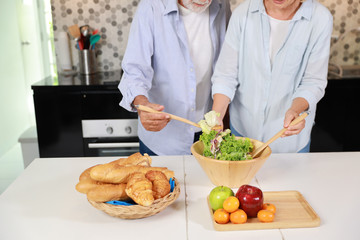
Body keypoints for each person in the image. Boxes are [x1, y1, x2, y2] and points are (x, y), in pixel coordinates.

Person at [211, 0, 333, 153]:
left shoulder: (320, 19)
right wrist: (215, 118)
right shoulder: (242, 14)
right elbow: (225, 75)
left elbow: (313, 81)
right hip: (243, 132)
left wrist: (295, 110)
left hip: (288, 142)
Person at [119, 0, 231, 155]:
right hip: (163, 141)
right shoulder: (151, 7)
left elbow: (226, 67)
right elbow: (135, 70)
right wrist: (142, 104)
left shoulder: (221, 5)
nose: (205, 0)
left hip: (208, 135)